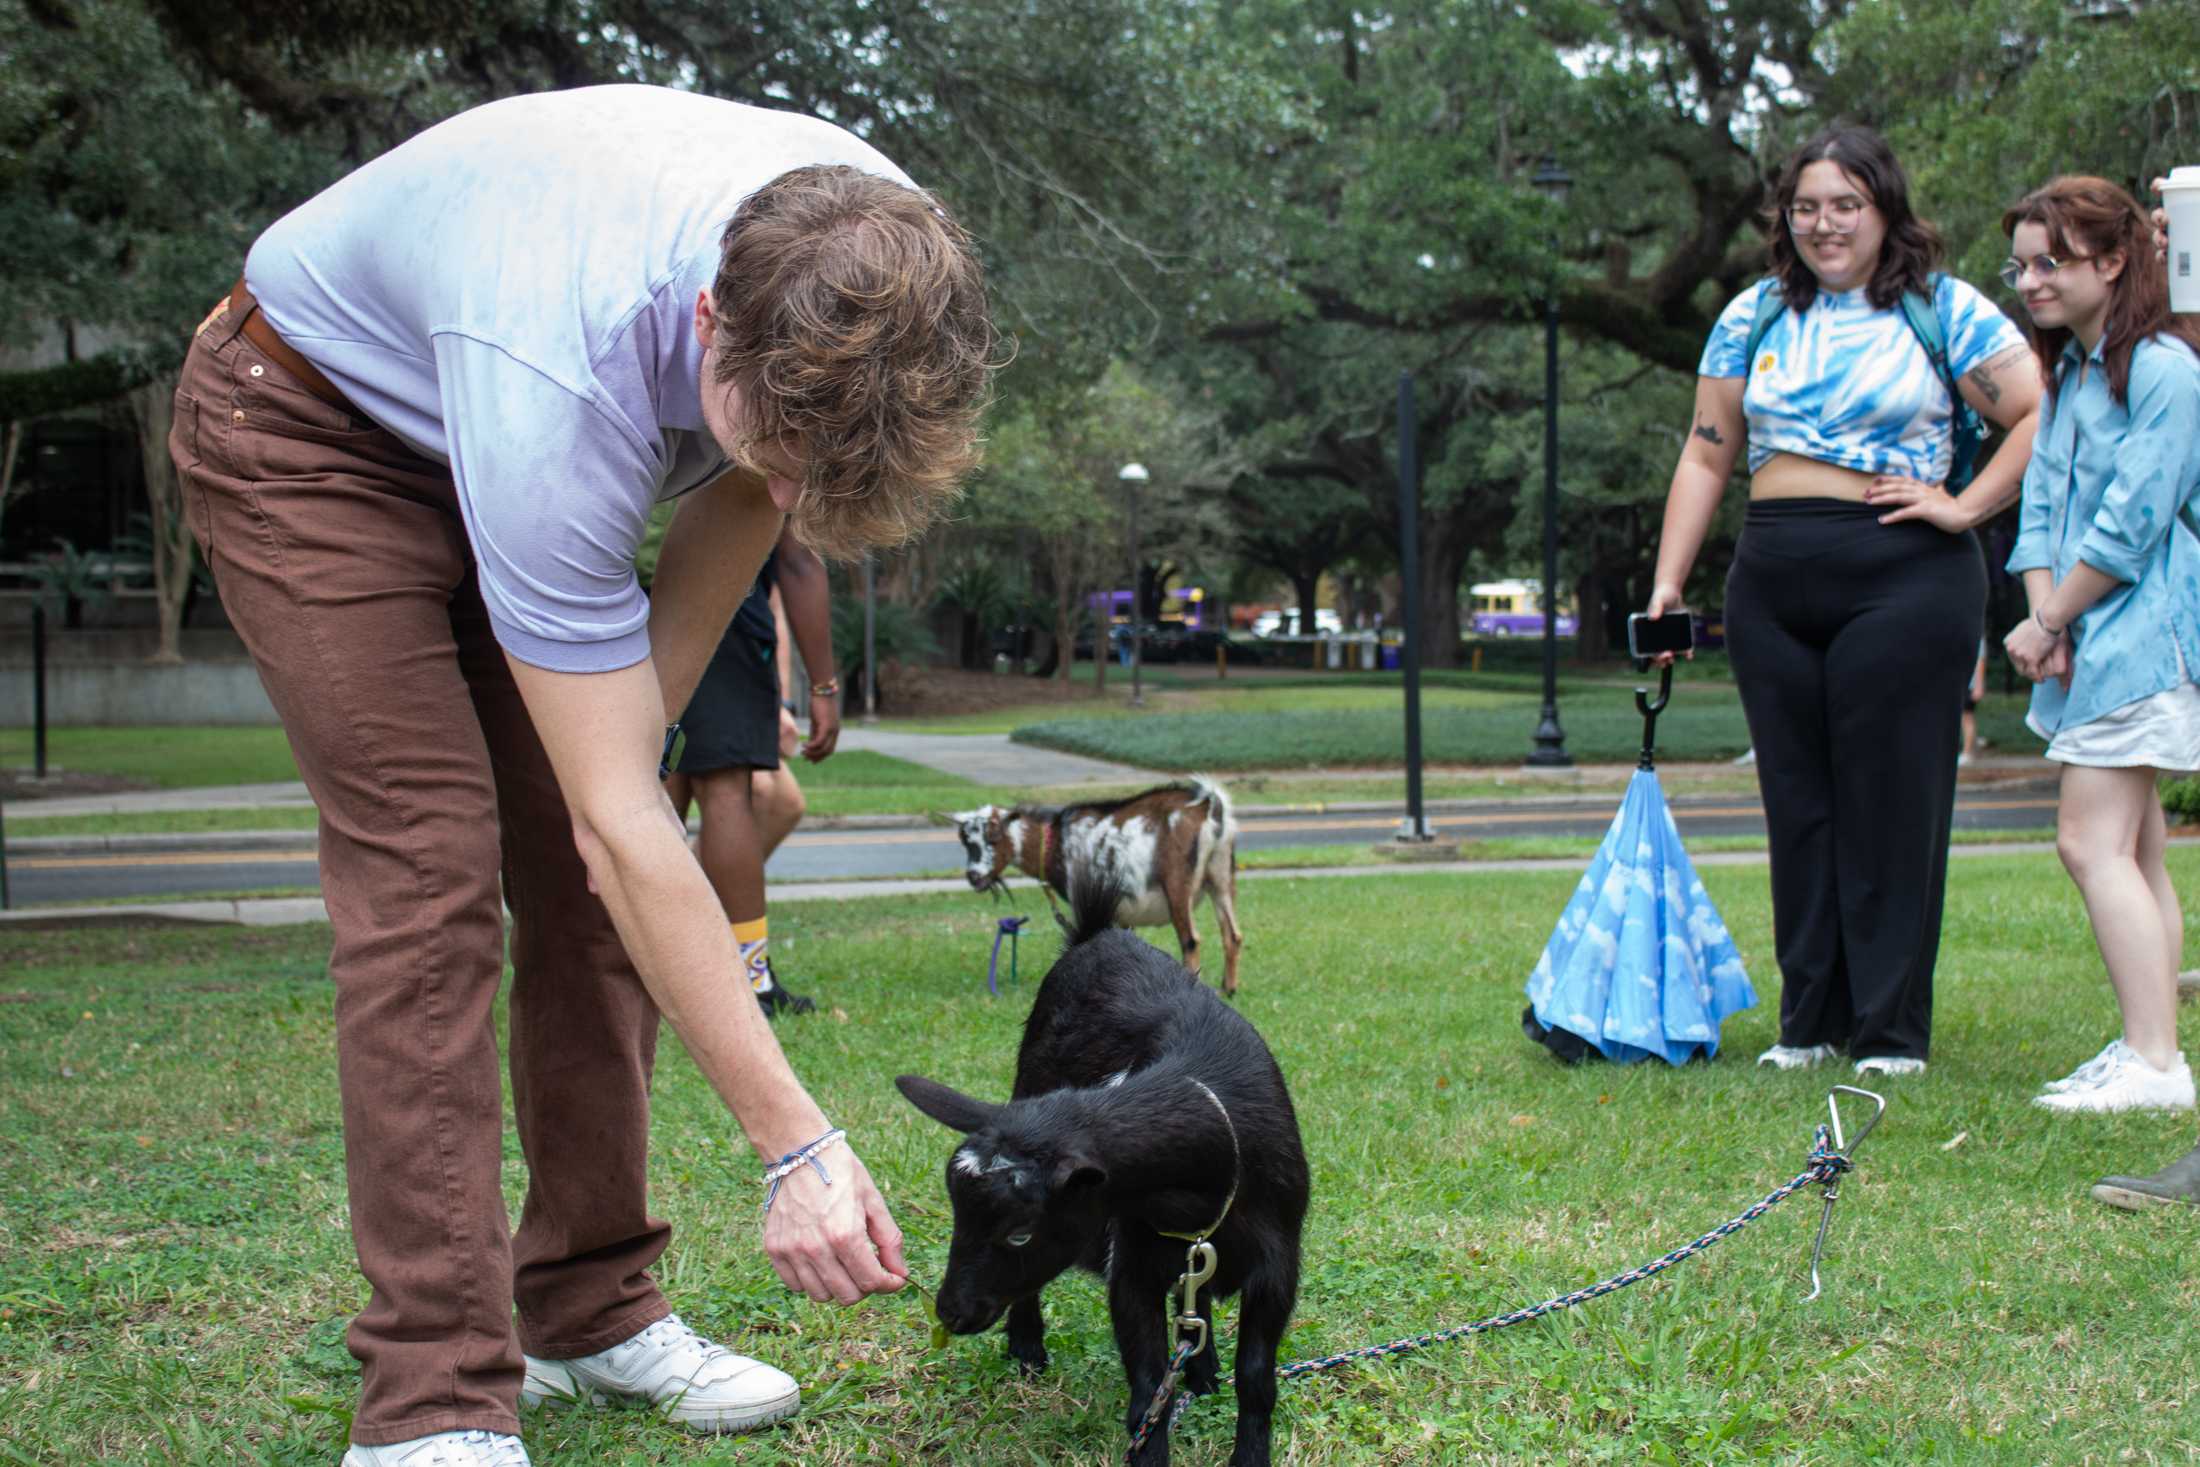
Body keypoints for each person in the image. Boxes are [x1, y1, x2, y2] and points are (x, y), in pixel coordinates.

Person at [167, 87, 995, 1466]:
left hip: (496, 407)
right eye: (773, 440)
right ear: (703, 331)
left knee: (596, 858)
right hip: (311, 434)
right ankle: (433, 1393)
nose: (790, 476)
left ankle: (591, 1307)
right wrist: (794, 1140)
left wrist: (611, 803)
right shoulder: (567, 366)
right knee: (429, 874)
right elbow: (622, 817)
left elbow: (752, 497)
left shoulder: (887, 268)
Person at [1644, 123, 2043, 1078]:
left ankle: (1890, 1030)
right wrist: (1667, 583)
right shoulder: (1751, 315)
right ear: (1787, 216)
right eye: (1808, 206)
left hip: (1906, 573)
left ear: (1884, 210)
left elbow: (2037, 411)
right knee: (1800, 804)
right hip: (1774, 577)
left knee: (1891, 799)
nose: (1826, 224)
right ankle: (1808, 1022)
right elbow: (1707, 450)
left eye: (1847, 205)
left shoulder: (1941, 309)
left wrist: (1966, 505)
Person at [1996, 175, 2200, 1116]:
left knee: (2089, 842)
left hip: (2143, 644)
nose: (2031, 281)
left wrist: (2051, 620)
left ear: (2115, 261)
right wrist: (2049, 617)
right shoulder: (2073, 372)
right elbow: (2042, 508)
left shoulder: (2163, 370)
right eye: (2024, 264)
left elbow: (2131, 526)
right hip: (2091, 639)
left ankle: (2155, 1063)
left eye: (2053, 262)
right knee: (2139, 848)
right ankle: (2147, 1048)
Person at [662, 530, 840, 1018]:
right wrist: (823, 685)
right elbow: (799, 557)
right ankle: (750, 978)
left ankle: (629, 965)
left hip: (617, 587)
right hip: (717, 600)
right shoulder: (763, 455)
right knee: (723, 785)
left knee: (655, 781)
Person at [1959, 639, 1987, 766]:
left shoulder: (1977, 637)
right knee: (1965, 718)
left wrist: (1978, 685)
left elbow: (1980, 661)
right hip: (1965, 683)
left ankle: (1967, 752)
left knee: (1966, 718)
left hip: (1969, 684)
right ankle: (1974, 748)